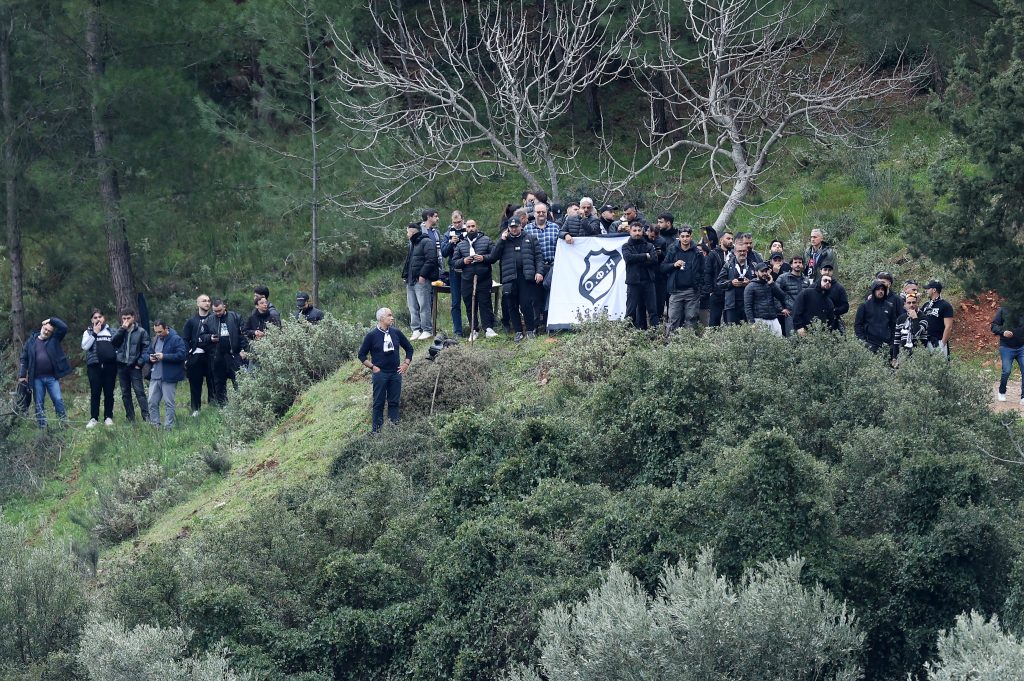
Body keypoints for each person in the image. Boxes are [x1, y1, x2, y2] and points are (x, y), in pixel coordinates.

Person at [489, 210, 544, 341]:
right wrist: (501, 241)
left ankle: (530, 330)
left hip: (525, 276)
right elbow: (493, 257)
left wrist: (539, 272)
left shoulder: (530, 238)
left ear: (521, 226)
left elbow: (538, 257)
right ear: (508, 228)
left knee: (526, 304)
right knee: (511, 305)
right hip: (509, 277)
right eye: (511, 227)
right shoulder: (504, 241)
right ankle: (518, 331)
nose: (514, 229)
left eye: (516, 226)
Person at [358, 308, 414, 432]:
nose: (392, 317)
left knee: (394, 402)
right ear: (381, 318)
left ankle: (394, 432)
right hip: (380, 374)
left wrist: (406, 363)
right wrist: (372, 367)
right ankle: (376, 432)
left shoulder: (396, 332)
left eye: (392, 315)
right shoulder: (372, 335)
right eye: (389, 315)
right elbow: (361, 355)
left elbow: (409, 349)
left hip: (395, 373)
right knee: (378, 403)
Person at [18, 316, 71, 429]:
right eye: (46, 329)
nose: (47, 332)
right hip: (36, 378)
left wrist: (51, 320)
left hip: (52, 377)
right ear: (42, 327)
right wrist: (22, 375)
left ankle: (63, 424)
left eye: (49, 331)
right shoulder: (31, 341)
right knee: (39, 403)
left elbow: (64, 327)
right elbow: (24, 358)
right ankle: (42, 427)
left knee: (58, 400)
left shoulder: (54, 339)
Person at [454, 218, 498, 340]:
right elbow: (454, 263)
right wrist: (463, 261)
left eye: (473, 226)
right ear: (465, 228)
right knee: (469, 305)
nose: (471, 229)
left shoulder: (486, 240)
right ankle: (473, 329)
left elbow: (494, 256)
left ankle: (488, 328)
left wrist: (483, 258)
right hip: (467, 279)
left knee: (485, 303)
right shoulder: (461, 244)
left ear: (476, 227)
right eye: (468, 227)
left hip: (484, 277)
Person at [111, 310, 151, 423]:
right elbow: (113, 342)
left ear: (133, 318)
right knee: (125, 393)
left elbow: (146, 348)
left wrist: (140, 363)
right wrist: (122, 329)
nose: (126, 321)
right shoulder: (120, 330)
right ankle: (130, 418)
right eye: (124, 318)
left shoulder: (141, 332)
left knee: (139, 392)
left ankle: (146, 416)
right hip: (121, 366)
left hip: (134, 366)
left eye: (128, 318)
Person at [662, 225, 704, 332]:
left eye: (687, 236)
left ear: (691, 236)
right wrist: (673, 264)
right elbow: (662, 267)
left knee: (691, 319)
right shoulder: (673, 250)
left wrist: (699, 287)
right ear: (679, 237)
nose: (685, 239)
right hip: (676, 291)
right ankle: (670, 344)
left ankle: (689, 344)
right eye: (683, 236)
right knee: (673, 319)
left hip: (692, 291)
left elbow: (703, 271)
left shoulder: (697, 252)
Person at [147, 320, 187, 430]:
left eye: (160, 332)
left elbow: (181, 355)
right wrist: (150, 358)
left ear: (166, 328)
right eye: (156, 332)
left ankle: (168, 427)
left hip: (169, 377)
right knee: (151, 402)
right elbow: (147, 353)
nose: (158, 334)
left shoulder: (176, 339)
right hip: (155, 375)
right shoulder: (155, 339)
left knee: (169, 403)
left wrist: (164, 356)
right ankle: (155, 426)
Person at [81, 308, 118, 428]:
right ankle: (94, 418)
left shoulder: (111, 331)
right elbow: (85, 347)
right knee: (95, 392)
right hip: (94, 366)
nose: (98, 319)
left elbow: (118, 346)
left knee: (109, 392)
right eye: (95, 318)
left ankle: (108, 417)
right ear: (92, 320)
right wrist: (95, 333)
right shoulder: (88, 332)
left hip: (110, 366)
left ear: (104, 318)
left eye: (100, 317)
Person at [402, 222, 438, 340]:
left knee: (424, 305)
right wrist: (405, 275)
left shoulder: (427, 242)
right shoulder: (412, 244)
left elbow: (431, 260)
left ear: (412, 232)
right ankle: (416, 330)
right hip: (410, 280)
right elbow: (409, 261)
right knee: (412, 306)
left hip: (421, 280)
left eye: (407, 232)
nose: (407, 234)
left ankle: (427, 330)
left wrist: (423, 275)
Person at [526, 202, 560, 331]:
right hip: (535, 268)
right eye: (538, 212)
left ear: (547, 213)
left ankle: (548, 323)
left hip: (552, 267)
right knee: (535, 297)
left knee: (549, 295)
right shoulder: (527, 229)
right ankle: (535, 325)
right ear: (534, 213)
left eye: (543, 212)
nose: (541, 214)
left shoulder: (555, 227)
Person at [182, 294, 216, 417]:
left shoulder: (214, 319)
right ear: (198, 304)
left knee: (213, 382)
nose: (207, 303)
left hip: (211, 356)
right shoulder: (191, 321)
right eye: (204, 301)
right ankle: (195, 409)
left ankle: (214, 407)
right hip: (196, 357)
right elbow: (185, 339)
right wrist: (187, 356)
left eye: (208, 301)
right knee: (195, 384)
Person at [209, 300, 248, 405]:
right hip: (218, 356)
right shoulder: (210, 319)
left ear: (224, 307)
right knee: (219, 384)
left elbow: (243, 334)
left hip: (234, 355)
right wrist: (210, 338)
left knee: (238, 382)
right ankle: (222, 408)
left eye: (219, 310)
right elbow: (203, 336)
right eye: (215, 311)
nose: (217, 313)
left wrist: (244, 350)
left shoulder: (235, 317)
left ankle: (242, 405)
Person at [622, 221, 660, 329]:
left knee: (653, 311)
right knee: (630, 311)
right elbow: (628, 258)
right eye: (634, 230)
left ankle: (656, 336)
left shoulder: (649, 245)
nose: (637, 233)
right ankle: (626, 337)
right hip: (633, 283)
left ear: (643, 231)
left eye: (639, 230)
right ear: (630, 231)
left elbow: (654, 260)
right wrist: (645, 256)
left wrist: (637, 259)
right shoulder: (626, 246)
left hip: (648, 282)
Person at [744, 261, 791, 336]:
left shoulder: (770, 284)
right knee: (761, 346)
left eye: (766, 271)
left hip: (773, 318)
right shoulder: (750, 287)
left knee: (778, 343)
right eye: (762, 271)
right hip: (759, 319)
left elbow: (782, 296)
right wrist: (752, 324)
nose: (765, 273)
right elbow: (747, 307)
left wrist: (772, 284)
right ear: (756, 272)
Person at [441, 211, 467, 337]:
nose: (457, 225)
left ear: (463, 220)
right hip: (454, 271)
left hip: (468, 269)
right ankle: (458, 331)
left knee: (469, 300)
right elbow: (444, 253)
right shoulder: (447, 234)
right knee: (455, 302)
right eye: (454, 222)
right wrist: (451, 243)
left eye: (459, 222)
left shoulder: (469, 230)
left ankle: (473, 327)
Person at [855, 280, 899, 353]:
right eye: (878, 289)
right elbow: (858, 325)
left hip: (886, 345)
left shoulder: (889, 306)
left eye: (882, 289)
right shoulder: (864, 306)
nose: (880, 291)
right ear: (873, 290)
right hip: (870, 344)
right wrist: (863, 342)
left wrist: (892, 342)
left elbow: (893, 325)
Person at [717, 241, 755, 324]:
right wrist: (731, 283)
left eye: (744, 251)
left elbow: (760, 282)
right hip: (731, 305)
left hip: (749, 304)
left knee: (749, 331)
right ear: (734, 252)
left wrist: (750, 283)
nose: (742, 253)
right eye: (739, 251)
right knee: (731, 331)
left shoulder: (753, 265)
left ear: (747, 251)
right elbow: (719, 282)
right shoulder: (727, 265)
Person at [992, 305, 1024, 403]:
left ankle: (1023, 396)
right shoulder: (1003, 309)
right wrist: (1003, 332)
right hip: (1006, 347)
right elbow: (994, 326)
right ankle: (1002, 391)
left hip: (1022, 347)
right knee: (1006, 371)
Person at [705, 230, 733, 326]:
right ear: (721, 240)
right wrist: (711, 290)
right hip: (716, 292)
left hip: (730, 291)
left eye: (732, 239)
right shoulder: (713, 254)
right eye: (728, 238)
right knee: (714, 320)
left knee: (730, 321)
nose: (731, 241)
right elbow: (707, 273)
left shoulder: (734, 254)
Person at [920, 279, 954, 356]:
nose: (926, 291)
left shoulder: (945, 305)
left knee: (941, 366)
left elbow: (948, 326)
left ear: (934, 290)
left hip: (938, 341)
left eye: (928, 289)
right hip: (925, 341)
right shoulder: (926, 305)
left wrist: (942, 343)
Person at [891, 292, 927, 365]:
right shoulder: (900, 319)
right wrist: (894, 357)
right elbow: (896, 340)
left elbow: (917, 334)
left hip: (920, 355)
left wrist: (915, 318)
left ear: (917, 303)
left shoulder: (923, 317)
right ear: (905, 305)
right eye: (909, 303)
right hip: (904, 355)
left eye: (913, 302)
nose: (911, 305)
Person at [776, 256, 807, 336]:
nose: (798, 264)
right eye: (795, 262)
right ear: (791, 265)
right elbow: (775, 293)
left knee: (805, 341)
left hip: (803, 315)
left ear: (802, 265)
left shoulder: (806, 280)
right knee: (791, 340)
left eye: (800, 263)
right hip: (790, 314)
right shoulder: (783, 278)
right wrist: (781, 309)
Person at [818, 264, 849, 331]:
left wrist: (833, 311)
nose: (827, 272)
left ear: (832, 272)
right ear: (821, 271)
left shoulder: (839, 288)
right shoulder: (813, 287)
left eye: (830, 270)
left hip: (833, 323)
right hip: (815, 322)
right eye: (825, 269)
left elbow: (845, 306)